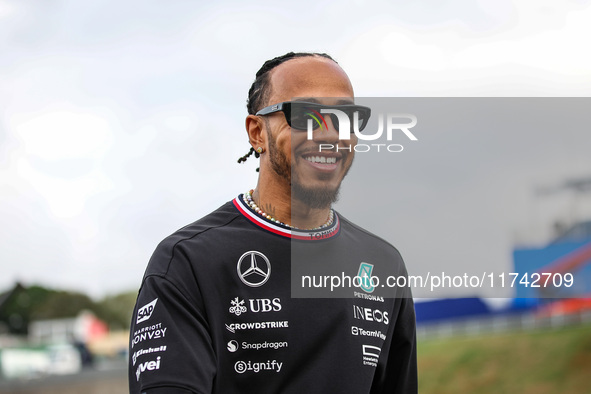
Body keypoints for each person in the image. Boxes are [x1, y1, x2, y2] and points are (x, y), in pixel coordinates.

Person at [129, 52, 417, 393]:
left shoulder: (383, 263)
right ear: (257, 133)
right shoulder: (187, 262)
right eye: (305, 114)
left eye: (344, 116)